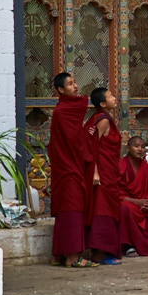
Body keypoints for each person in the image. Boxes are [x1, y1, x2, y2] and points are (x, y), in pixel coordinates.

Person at [47, 72, 96, 268]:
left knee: (65, 210)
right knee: (72, 209)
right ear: (60, 90)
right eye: (69, 84)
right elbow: (73, 141)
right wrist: (87, 137)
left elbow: (74, 136)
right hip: (68, 167)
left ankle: (58, 254)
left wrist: (84, 134)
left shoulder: (64, 110)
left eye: (75, 82)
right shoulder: (63, 112)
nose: (75, 86)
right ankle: (72, 257)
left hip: (66, 165)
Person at [85, 86, 123, 264]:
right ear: (102, 103)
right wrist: (95, 173)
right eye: (110, 96)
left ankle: (103, 252)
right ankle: (99, 254)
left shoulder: (101, 118)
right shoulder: (103, 120)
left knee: (107, 208)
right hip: (102, 173)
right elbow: (92, 146)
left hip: (109, 170)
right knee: (103, 210)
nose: (114, 98)